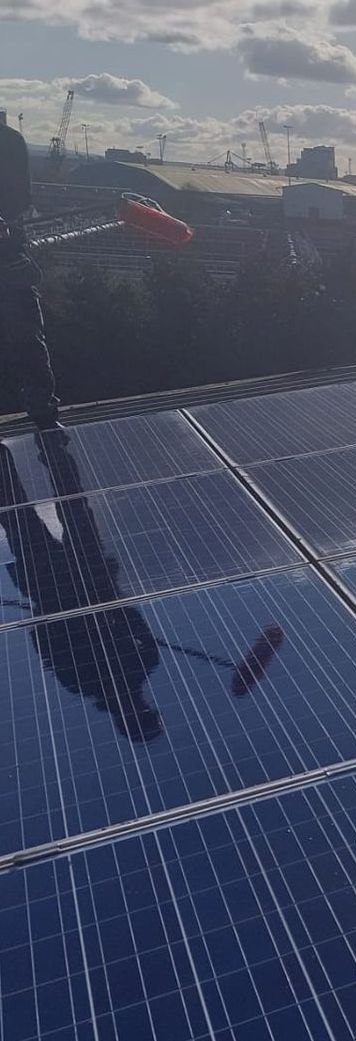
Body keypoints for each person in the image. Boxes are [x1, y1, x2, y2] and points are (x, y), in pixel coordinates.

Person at [0, 440, 163, 742]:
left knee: (29, 513)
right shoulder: (136, 664)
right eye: (145, 711)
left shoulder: (136, 664)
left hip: (62, 583)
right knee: (65, 506)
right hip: (78, 579)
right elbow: (43, 637)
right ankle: (49, 438)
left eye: (141, 713)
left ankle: (43, 438)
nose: (141, 706)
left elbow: (43, 638)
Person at [0, 110, 61, 430]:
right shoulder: (10, 141)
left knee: (25, 336)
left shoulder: (9, 141)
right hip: (10, 259)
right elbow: (20, 201)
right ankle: (42, 409)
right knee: (26, 338)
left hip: (8, 260)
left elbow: (17, 202)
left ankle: (41, 407)